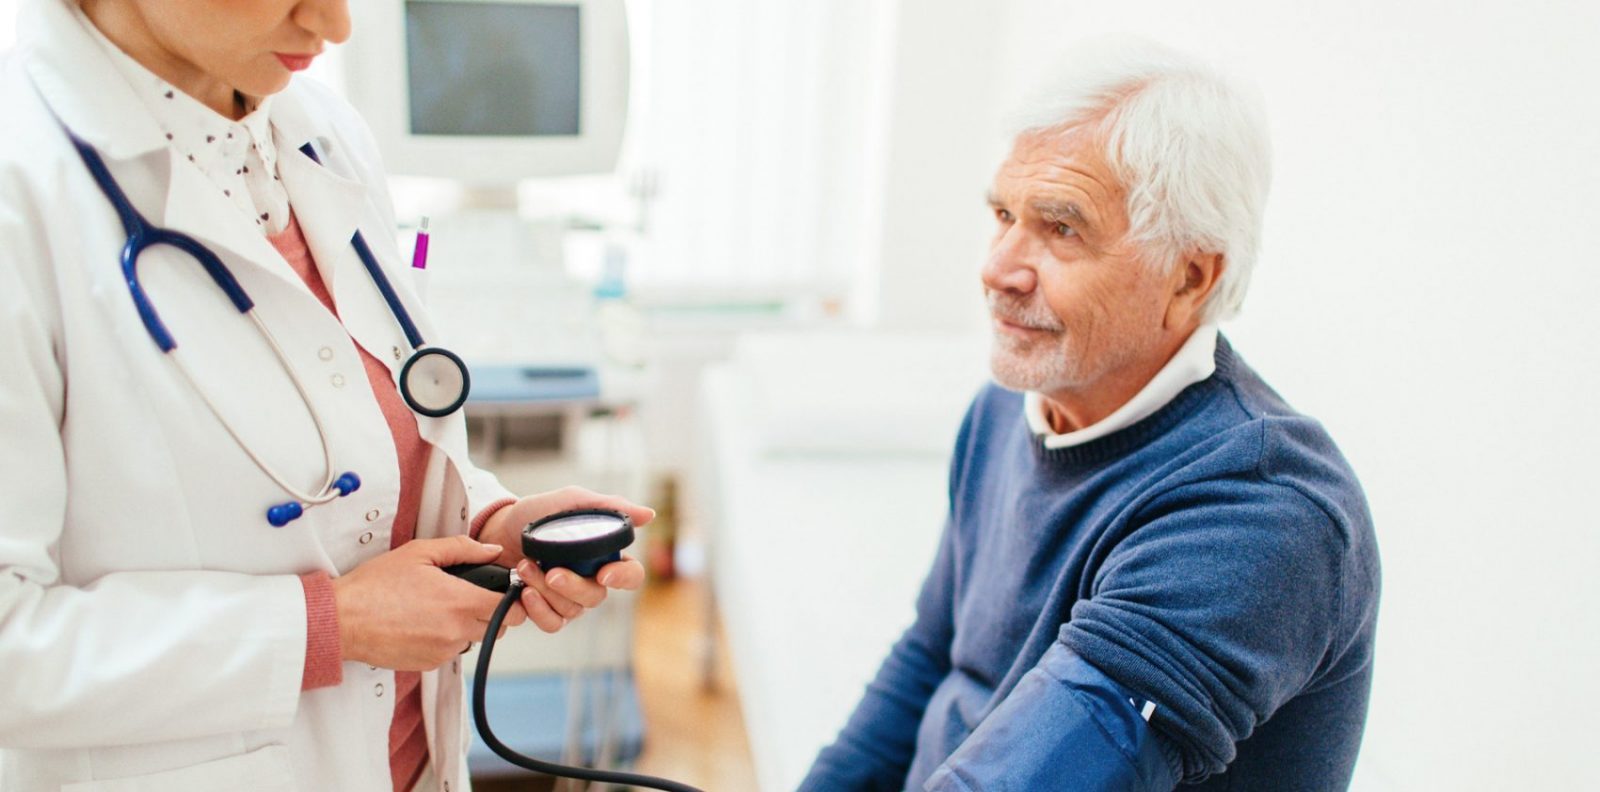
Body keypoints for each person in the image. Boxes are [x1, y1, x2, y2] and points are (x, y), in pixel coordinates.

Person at [0, 1, 650, 790]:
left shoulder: (318, 131)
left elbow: (359, 428)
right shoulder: (22, 191)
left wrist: (485, 527)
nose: (336, 25)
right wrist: (328, 627)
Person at [799, 39, 1380, 792]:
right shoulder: (1005, 413)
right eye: (1003, 214)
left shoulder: (1260, 512)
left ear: (1190, 277)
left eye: (1062, 229)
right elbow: (930, 658)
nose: (998, 268)